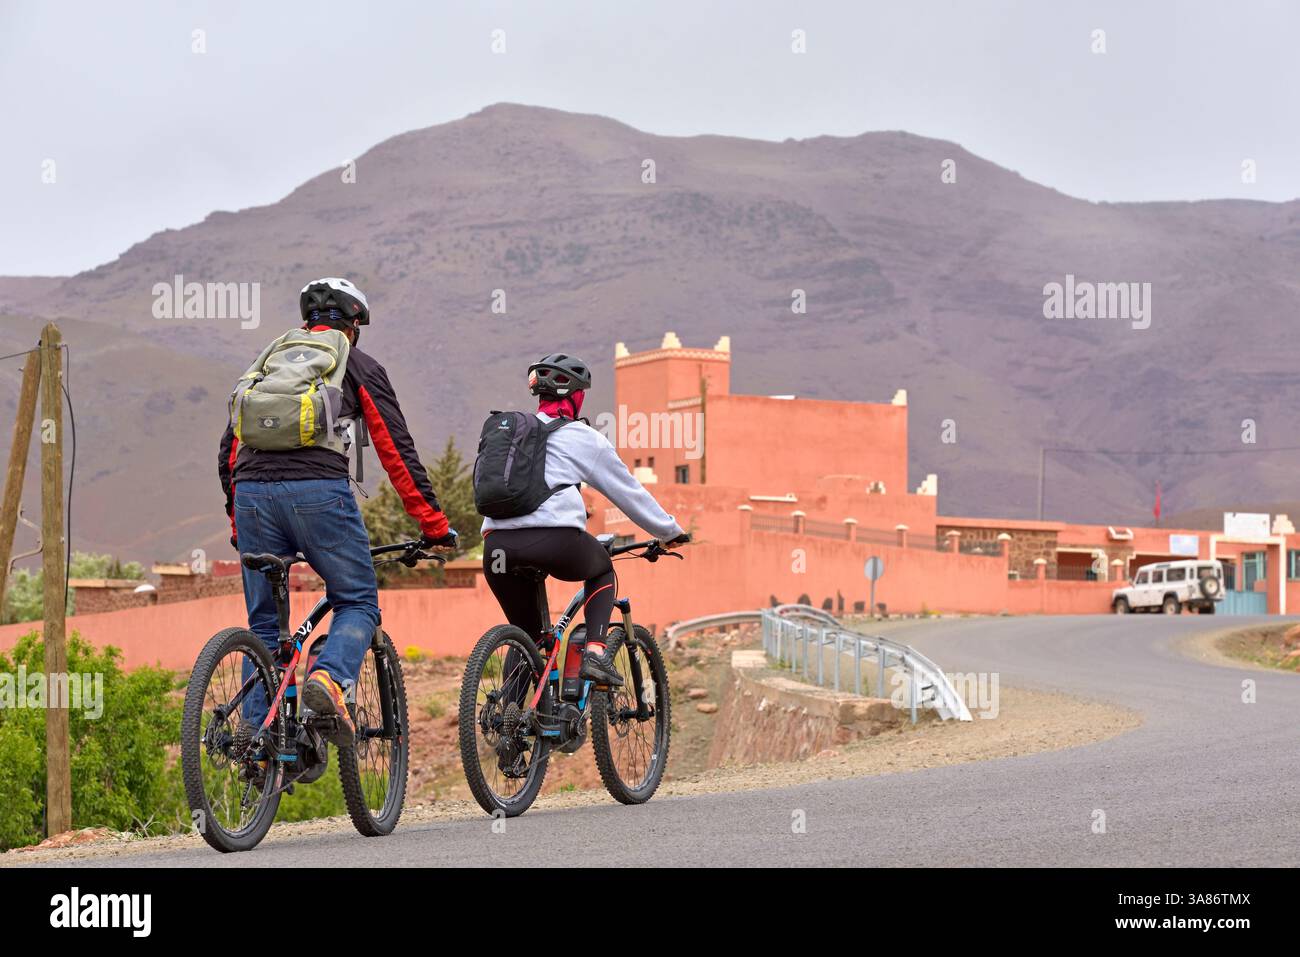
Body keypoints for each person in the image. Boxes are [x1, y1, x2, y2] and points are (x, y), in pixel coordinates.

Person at [218, 277, 457, 744]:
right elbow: (396, 451)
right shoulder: (357, 366)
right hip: (318, 495)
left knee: (265, 624)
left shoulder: (267, 366)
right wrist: (433, 524)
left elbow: (229, 447)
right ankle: (328, 679)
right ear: (354, 325)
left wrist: (237, 524)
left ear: (307, 321)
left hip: (250, 495)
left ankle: (254, 735)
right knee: (357, 600)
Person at [481, 352, 688, 686]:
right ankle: (594, 653)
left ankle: (511, 726)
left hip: (496, 549)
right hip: (554, 541)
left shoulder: (512, 436)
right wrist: (669, 531)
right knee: (602, 568)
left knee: (529, 641)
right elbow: (629, 493)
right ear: (576, 397)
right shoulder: (583, 437)